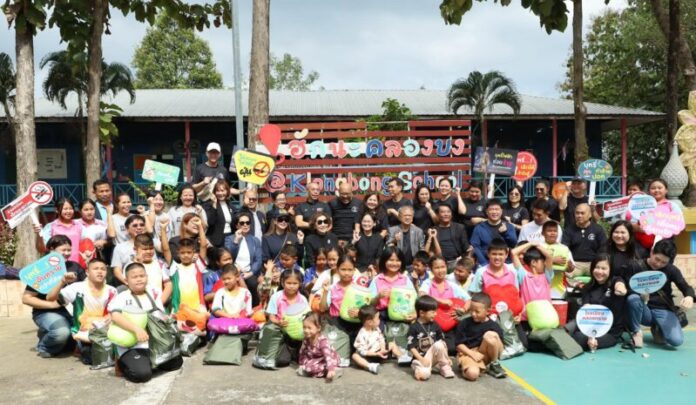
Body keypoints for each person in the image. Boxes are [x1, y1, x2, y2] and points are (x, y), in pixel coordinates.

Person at [108, 262, 183, 383]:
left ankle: (148, 362)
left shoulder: (153, 292)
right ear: (126, 281)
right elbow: (115, 316)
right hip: (134, 345)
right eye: (134, 277)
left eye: (142, 276)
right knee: (143, 375)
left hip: (154, 342)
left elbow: (159, 313)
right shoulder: (122, 297)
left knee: (176, 363)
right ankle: (123, 364)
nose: (139, 279)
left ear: (147, 277)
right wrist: (136, 329)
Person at [22, 235, 86, 358]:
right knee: (61, 333)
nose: (67, 253)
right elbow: (26, 298)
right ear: (52, 249)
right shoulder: (41, 269)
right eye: (63, 250)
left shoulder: (75, 266)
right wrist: (51, 305)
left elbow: (87, 286)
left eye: (69, 250)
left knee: (78, 339)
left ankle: (49, 333)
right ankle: (44, 346)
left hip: (73, 311)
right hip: (46, 312)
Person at [46, 258, 117, 364]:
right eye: (96, 269)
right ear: (87, 272)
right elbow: (50, 298)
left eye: (103, 269)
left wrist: (110, 318)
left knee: (114, 355)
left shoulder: (112, 290)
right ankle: (80, 346)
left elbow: (115, 313)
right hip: (84, 332)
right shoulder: (76, 288)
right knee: (94, 359)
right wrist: (62, 281)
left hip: (105, 330)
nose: (100, 271)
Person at [626, 240, 694, 348]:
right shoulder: (635, 266)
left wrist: (689, 297)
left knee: (676, 341)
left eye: (663, 262)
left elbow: (685, 287)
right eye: (657, 259)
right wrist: (640, 295)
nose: (658, 264)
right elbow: (626, 288)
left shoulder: (671, 270)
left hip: (663, 309)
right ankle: (636, 332)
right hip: (643, 309)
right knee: (633, 298)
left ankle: (658, 328)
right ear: (652, 252)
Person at [566, 254, 627, 351]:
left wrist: (621, 289)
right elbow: (586, 311)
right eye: (597, 267)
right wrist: (590, 335)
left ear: (610, 270)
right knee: (576, 335)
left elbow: (620, 285)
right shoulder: (588, 287)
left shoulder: (615, 281)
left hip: (610, 331)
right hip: (590, 327)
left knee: (580, 339)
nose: (599, 271)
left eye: (604, 268)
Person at [253, 269, 308, 369]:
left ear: (300, 284)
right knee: (282, 360)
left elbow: (307, 317)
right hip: (280, 331)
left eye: (295, 283)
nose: (291, 286)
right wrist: (279, 322)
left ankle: (296, 353)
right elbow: (271, 317)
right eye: (289, 283)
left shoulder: (303, 299)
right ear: (282, 283)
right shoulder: (276, 297)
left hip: (296, 333)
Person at [455, 292, 506, 380]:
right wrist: (472, 354)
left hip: (486, 354)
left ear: (488, 311)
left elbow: (500, 347)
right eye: (471, 310)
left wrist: (494, 338)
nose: (473, 314)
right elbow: (459, 344)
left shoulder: (494, 326)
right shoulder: (464, 323)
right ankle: (467, 368)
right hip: (469, 353)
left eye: (477, 311)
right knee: (472, 374)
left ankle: (494, 364)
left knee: (490, 335)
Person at [407, 295, 455, 380]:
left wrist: (447, 358)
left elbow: (442, 342)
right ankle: (420, 368)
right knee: (423, 375)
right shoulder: (413, 327)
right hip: (421, 358)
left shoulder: (435, 325)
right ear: (422, 313)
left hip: (434, 357)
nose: (435, 314)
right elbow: (411, 346)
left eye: (435, 311)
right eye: (433, 312)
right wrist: (421, 359)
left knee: (439, 344)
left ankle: (444, 366)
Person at [319, 255, 362, 345]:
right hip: (337, 325)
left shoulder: (359, 288)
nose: (346, 273)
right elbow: (322, 308)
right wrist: (325, 292)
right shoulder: (332, 288)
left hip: (355, 324)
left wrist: (359, 312)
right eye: (343, 269)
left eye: (350, 270)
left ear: (354, 270)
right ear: (338, 270)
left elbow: (367, 306)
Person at [510, 242, 554, 327]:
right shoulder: (524, 276)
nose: (545, 263)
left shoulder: (547, 276)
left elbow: (549, 256)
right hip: (527, 318)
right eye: (542, 261)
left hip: (545, 318)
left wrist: (537, 245)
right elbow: (513, 252)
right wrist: (530, 244)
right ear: (533, 262)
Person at [369, 247, 416, 322]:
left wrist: (414, 314)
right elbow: (370, 303)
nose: (394, 263)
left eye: (398, 260)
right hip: (382, 318)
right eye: (391, 260)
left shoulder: (405, 279)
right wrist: (378, 296)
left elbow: (414, 299)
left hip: (402, 316)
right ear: (384, 261)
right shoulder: (377, 280)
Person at [562, 203, 607, 278]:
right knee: (565, 275)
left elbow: (603, 248)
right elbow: (564, 247)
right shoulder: (568, 230)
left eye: (582, 213)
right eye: (577, 213)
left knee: (603, 274)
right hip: (575, 264)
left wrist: (598, 263)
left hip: (593, 263)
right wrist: (569, 262)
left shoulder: (598, 229)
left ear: (590, 215)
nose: (579, 215)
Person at [352, 305, 400, 374]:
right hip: (369, 356)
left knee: (392, 344)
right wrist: (375, 354)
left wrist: (383, 349)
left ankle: (401, 358)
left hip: (380, 352)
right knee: (355, 356)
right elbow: (362, 351)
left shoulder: (376, 328)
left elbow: (381, 339)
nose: (379, 320)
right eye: (377, 318)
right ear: (370, 322)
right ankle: (370, 366)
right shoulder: (362, 334)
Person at [227, 212, 263, 305]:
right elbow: (229, 256)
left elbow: (258, 260)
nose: (245, 225)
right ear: (236, 225)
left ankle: (254, 307)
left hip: (249, 272)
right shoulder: (229, 239)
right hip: (235, 272)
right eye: (242, 223)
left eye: (247, 222)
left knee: (253, 283)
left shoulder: (255, 240)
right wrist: (236, 241)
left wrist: (250, 273)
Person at [628, 179, 674, 250]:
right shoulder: (642, 203)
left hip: (661, 245)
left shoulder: (670, 205)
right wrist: (635, 227)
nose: (656, 190)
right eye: (653, 188)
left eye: (659, 188)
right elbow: (633, 219)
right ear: (649, 191)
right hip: (640, 243)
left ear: (666, 190)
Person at [470, 199, 517, 266]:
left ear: (501, 211)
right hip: (485, 263)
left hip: (506, 263)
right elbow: (476, 247)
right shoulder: (479, 228)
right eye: (491, 209)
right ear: (487, 211)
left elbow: (513, 244)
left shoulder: (509, 226)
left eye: (497, 209)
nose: (494, 212)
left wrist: (505, 233)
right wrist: (484, 264)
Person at [35, 198, 83, 263]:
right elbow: (42, 249)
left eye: (70, 208)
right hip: (57, 265)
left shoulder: (79, 226)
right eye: (65, 209)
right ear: (57, 210)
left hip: (76, 265)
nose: (68, 211)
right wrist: (39, 235)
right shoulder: (51, 227)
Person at [297, 312, 342, 380]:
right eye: (304, 327)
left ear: (318, 328)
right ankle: (321, 372)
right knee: (307, 367)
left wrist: (330, 369)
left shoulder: (322, 341)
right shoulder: (306, 340)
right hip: (316, 359)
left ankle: (333, 371)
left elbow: (328, 356)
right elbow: (302, 352)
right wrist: (301, 364)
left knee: (310, 368)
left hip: (328, 360)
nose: (306, 330)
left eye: (309, 328)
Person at [133, 233, 172, 305]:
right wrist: (138, 263)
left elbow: (168, 285)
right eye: (145, 249)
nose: (148, 251)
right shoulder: (130, 266)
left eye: (151, 248)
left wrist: (159, 304)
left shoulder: (160, 264)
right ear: (135, 249)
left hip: (159, 304)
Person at [111, 215, 148, 286]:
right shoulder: (120, 247)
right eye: (135, 225)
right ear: (127, 229)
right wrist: (128, 283)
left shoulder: (151, 244)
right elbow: (117, 270)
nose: (139, 227)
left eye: (142, 225)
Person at [431, 204, 470, 270]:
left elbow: (466, 247)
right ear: (437, 215)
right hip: (440, 263)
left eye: (448, 212)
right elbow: (431, 251)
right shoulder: (433, 230)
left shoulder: (459, 228)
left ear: (451, 214)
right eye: (443, 212)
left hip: (457, 261)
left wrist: (462, 258)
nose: (446, 214)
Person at [541, 220, 574, 299]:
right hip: (541, 287)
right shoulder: (539, 246)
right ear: (543, 233)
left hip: (558, 288)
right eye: (549, 231)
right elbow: (533, 264)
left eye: (555, 231)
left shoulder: (564, 248)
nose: (552, 233)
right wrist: (552, 260)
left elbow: (570, 269)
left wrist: (570, 267)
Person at [204, 180, 237, 249]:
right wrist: (214, 205)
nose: (220, 193)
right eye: (217, 191)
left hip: (229, 238)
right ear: (214, 192)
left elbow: (236, 220)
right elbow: (210, 222)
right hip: (216, 241)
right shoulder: (209, 205)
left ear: (227, 191)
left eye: (222, 190)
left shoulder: (230, 205)